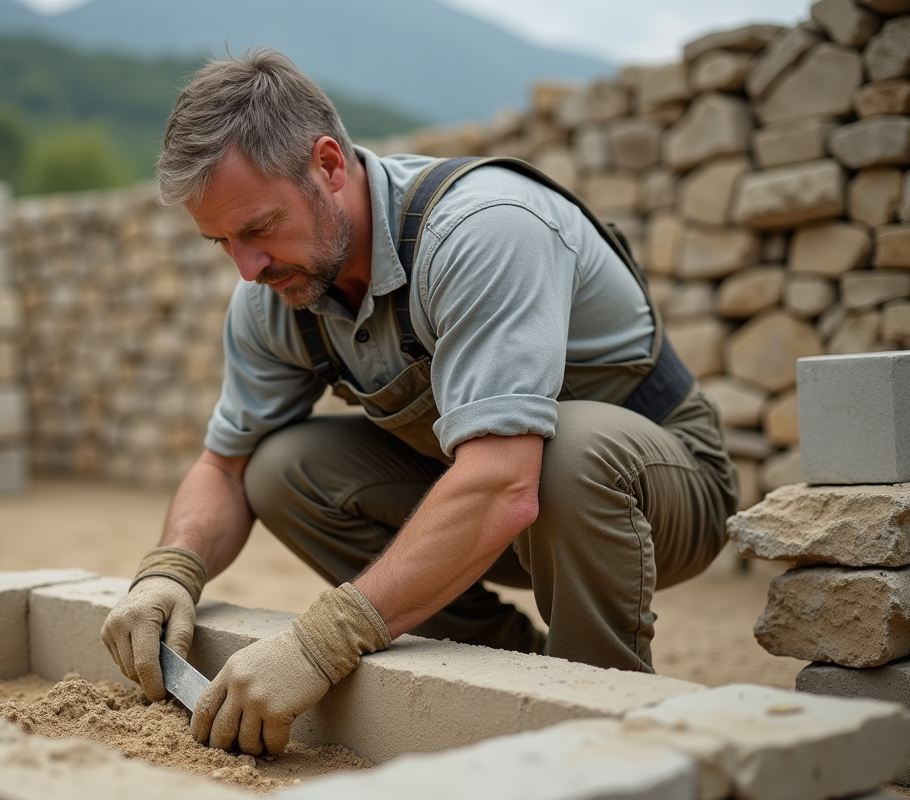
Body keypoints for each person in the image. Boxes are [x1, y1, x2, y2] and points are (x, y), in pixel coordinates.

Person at [101, 47, 738, 758]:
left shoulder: (481, 230)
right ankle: (502, 672)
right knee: (279, 467)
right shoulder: (276, 293)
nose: (246, 269)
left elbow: (504, 482)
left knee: (565, 455)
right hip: (502, 502)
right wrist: (169, 570)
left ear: (329, 165)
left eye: (256, 228)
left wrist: (321, 645)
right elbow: (223, 467)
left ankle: (597, 728)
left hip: (657, 494)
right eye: (221, 241)